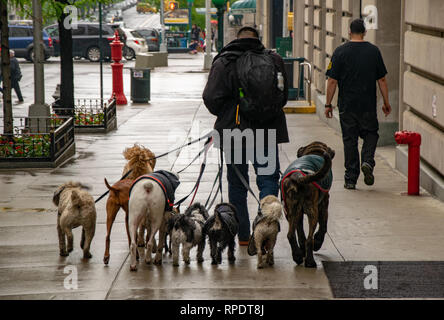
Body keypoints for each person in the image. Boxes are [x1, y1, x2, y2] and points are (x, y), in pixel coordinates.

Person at [203, 26, 289, 245]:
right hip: (266, 130)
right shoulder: (274, 60)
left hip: (234, 132)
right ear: (258, 39)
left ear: (236, 39)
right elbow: (283, 96)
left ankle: (242, 236)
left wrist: (228, 113)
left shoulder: (224, 62)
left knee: (237, 183)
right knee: (269, 180)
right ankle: (267, 231)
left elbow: (211, 97)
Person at [325, 19, 391, 190]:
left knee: (350, 140)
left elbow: (332, 81)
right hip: (367, 104)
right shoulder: (373, 51)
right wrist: (386, 102)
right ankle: (368, 161)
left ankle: (350, 179)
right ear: (364, 32)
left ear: (349, 32)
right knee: (371, 134)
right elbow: (382, 79)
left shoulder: (340, 52)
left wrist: (328, 104)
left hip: (347, 105)